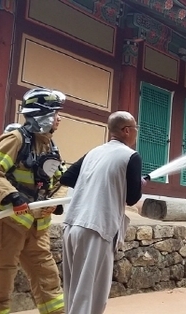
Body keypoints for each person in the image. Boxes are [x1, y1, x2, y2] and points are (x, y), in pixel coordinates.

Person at [0, 88, 68, 314]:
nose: (60, 118)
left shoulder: (50, 146)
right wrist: (12, 196)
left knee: (47, 277)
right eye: (55, 113)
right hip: (7, 222)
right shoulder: (15, 139)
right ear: (43, 115)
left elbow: (60, 181)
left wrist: (55, 202)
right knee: (1, 279)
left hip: (37, 226)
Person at [60, 111, 146, 314]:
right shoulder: (131, 156)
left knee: (73, 292)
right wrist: (132, 184)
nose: (136, 133)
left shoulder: (94, 152)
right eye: (135, 128)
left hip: (72, 225)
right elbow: (133, 198)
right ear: (126, 131)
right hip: (97, 230)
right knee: (90, 295)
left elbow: (67, 177)